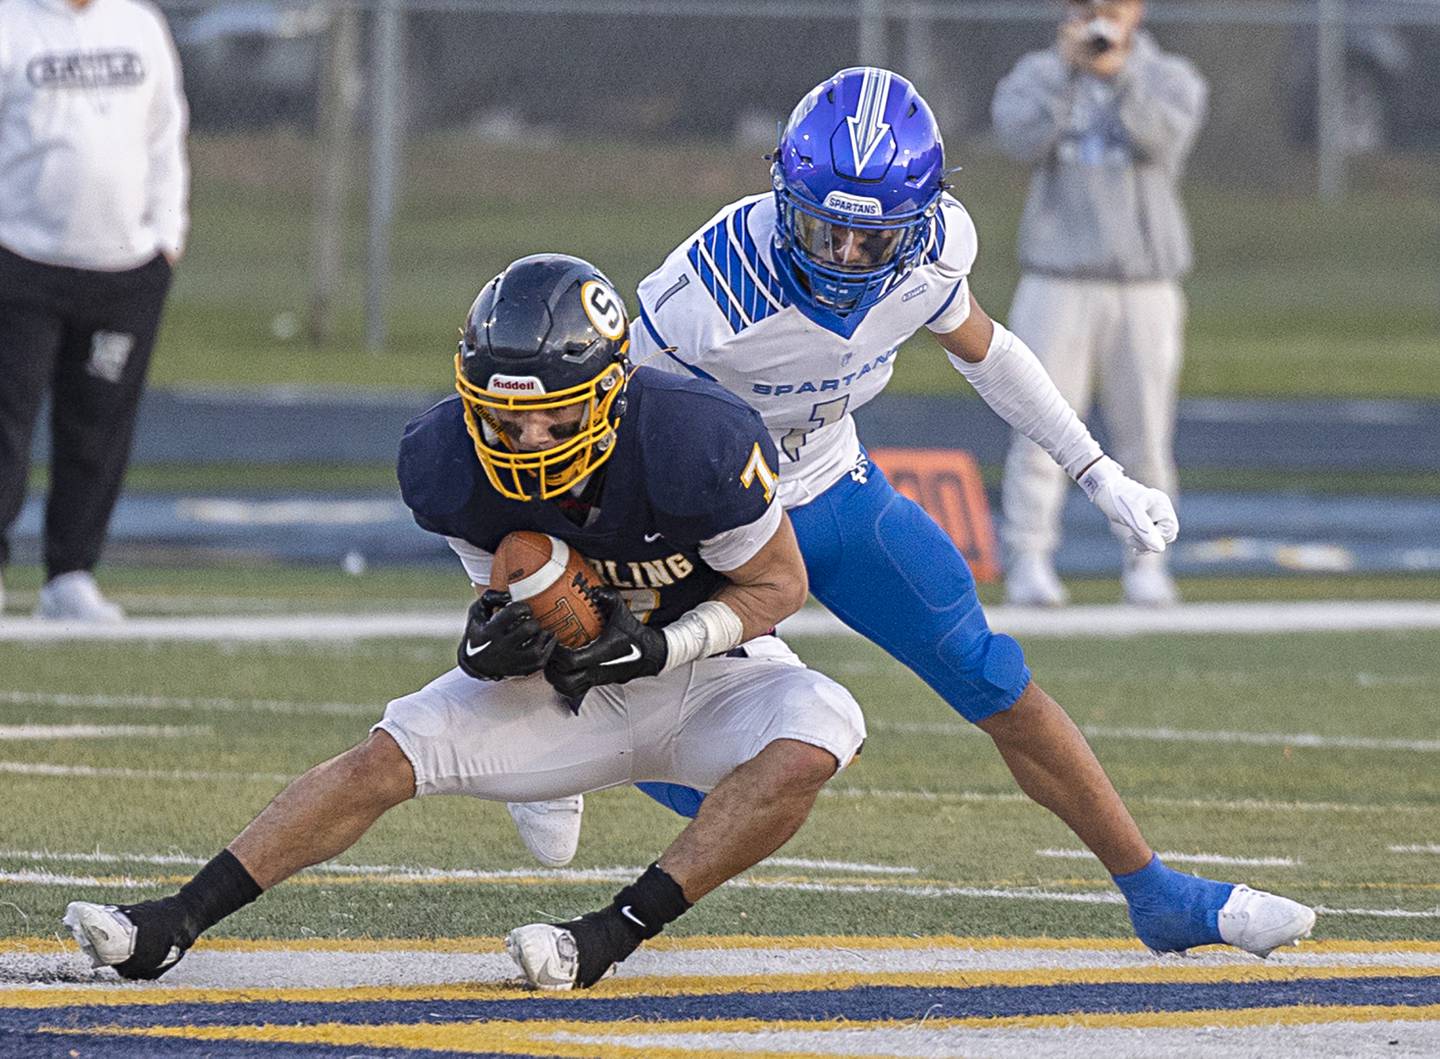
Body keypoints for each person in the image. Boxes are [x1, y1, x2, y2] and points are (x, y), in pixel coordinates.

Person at [510, 68, 1312, 959]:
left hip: (831, 486)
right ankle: (566, 728)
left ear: (920, 216)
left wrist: (1096, 470)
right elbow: (605, 438)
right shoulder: (703, 299)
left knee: (991, 674)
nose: (847, 256)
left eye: (873, 235)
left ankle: (1158, 895)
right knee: (745, 763)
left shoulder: (934, 250)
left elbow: (989, 352)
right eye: (826, 229)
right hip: (710, 522)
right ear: (783, 193)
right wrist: (578, 582)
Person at [64, 254, 866, 990]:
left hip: (711, 671)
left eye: (554, 418)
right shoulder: (448, 459)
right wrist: (490, 643)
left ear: (612, 393)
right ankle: (170, 921)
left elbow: (778, 584)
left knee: (823, 727)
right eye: (506, 419)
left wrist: (663, 642)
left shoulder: (697, 438)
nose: (528, 440)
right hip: (571, 689)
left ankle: (609, 935)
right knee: (381, 759)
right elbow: (507, 600)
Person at [994, 0, 1208, 607]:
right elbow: (1017, 138)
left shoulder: (1171, 77)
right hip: (1057, 277)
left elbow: (1163, 138)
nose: (1099, 21)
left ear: (1136, 12)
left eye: (1110, 8)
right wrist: (1069, 77)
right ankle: (1030, 557)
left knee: (1145, 432)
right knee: (1038, 425)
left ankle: (1147, 561)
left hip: (1144, 283)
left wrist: (1120, 74)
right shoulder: (1038, 74)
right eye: (1087, 8)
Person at [0, 0, 189, 620]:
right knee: (7, 421)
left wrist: (166, 238)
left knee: (98, 428)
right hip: (21, 258)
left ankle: (70, 574)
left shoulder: (139, 25)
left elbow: (166, 135)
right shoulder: (11, 24)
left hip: (125, 271)